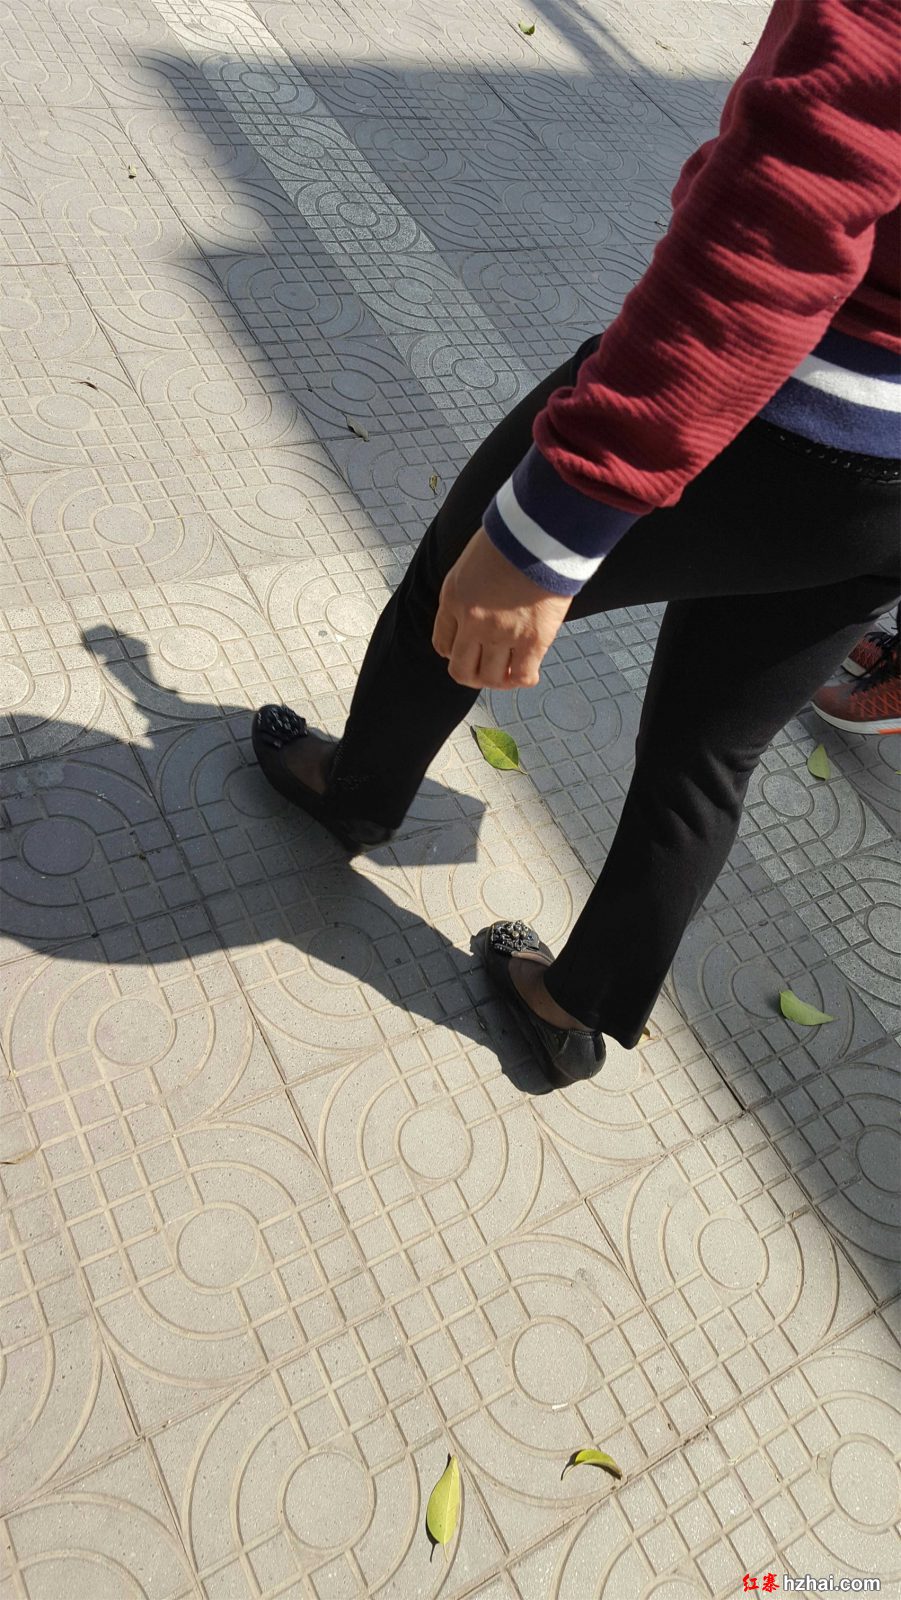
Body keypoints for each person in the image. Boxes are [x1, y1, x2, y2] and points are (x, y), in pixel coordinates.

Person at [254, 0, 900, 1088]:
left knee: (456, 588)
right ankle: (572, 1009)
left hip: (781, 413)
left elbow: (781, 222)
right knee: (709, 753)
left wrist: (559, 516)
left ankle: (354, 791)